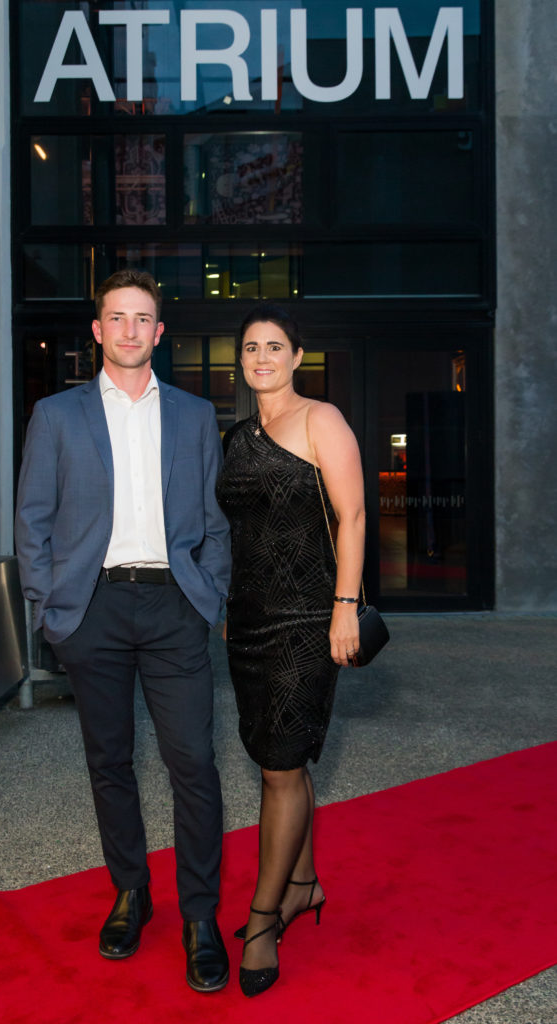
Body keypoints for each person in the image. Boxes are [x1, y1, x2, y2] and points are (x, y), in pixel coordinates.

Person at [15, 270, 232, 993]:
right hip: (93, 608)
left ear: (158, 333)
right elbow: (32, 520)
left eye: (143, 319)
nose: (130, 330)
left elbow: (214, 521)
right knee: (108, 761)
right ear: (98, 330)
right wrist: (50, 610)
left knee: (192, 763)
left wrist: (211, 597)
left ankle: (200, 915)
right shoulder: (56, 415)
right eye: (118, 317)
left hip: (175, 607)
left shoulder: (195, 415)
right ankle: (131, 892)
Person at [216, 303, 365, 997]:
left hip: (306, 619)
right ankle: (303, 883)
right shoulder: (238, 435)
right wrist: (228, 607)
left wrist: (344, 608)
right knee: (278, 757)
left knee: (279, 767)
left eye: (274, 346)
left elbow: (352, 516)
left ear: (298, 356)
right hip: (248, 620)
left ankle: (263, 919)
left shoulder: (320, 420)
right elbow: (235, 532)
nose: (262, 358)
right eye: (251, 348)